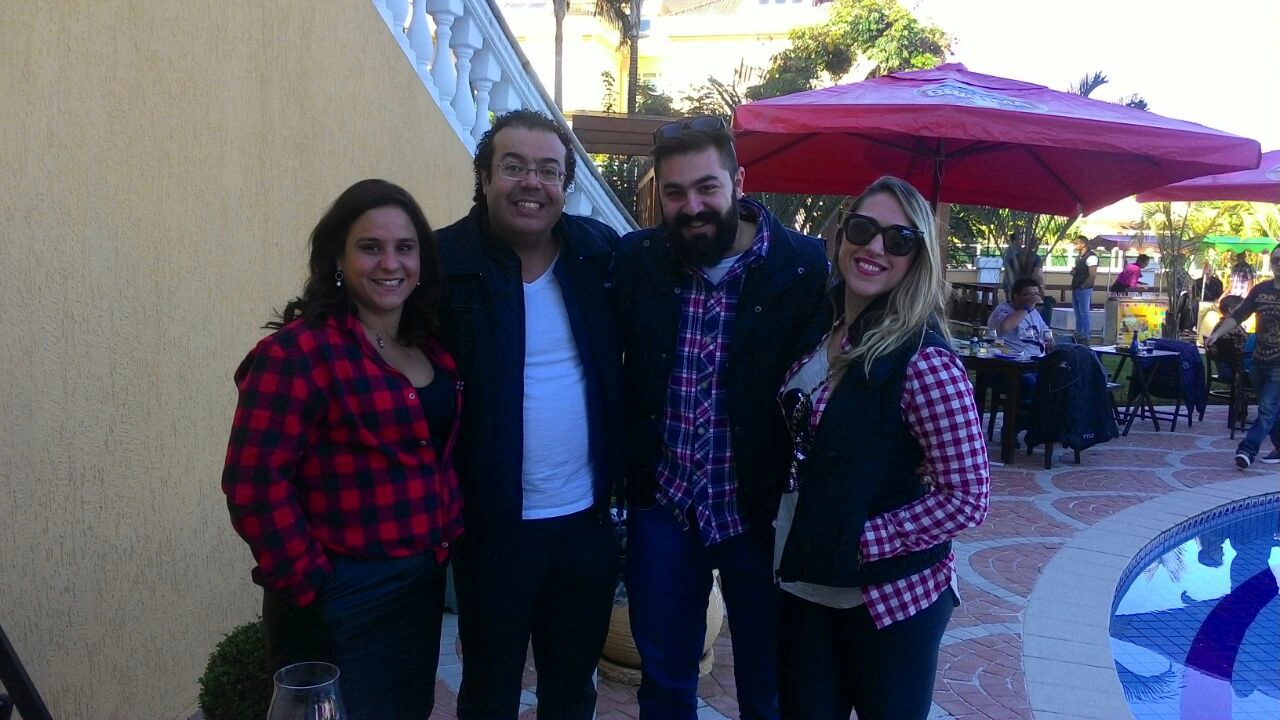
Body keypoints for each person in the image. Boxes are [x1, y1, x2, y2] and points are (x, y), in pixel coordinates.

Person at [222, 179, 462, 720]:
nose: (389, 263)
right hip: (340, 596)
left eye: (405, 248)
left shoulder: (426, 346)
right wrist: (312, 586)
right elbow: (253, 484)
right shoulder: (297, 353)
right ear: (337, 256)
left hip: (419, 587)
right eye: (370, 247)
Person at [615, 116, 829, 720]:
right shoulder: (638, 261)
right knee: (664, 683)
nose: (691, 207)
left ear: (738, 181)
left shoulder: (804, 268)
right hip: (666, 507)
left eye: (706, 188)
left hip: (757, 513)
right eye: (674, 192)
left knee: (767, 686)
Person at [774, 176, 990, 719]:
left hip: (889, 601)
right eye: (864, 229)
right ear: (843, 232)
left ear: (918, 258)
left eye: (899, 240)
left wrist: (861, 539)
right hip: (805, 582)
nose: (875, 248)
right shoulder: (826, 326)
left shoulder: (925, 362)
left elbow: (967, 496)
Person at [435, 109, 623, 719]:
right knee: (489, 691)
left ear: (565, 184)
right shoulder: (442, 265)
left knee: (572, 690)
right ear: (484, 176)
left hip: (585, 525)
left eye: (548, 170)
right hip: (492, 529)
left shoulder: (599, 255)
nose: (531, 182)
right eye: (513, 166)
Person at [1206, 244, 1280, 468]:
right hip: (1259, 360)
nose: (1279, 264)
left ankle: (1247, 450)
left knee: (1267, 408)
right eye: (1276, 259)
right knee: (1271, 407)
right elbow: (1238, 315)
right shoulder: (1260, 290)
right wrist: (1216, 334)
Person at [987, 277, 1055, 355]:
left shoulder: (1033, 312)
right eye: (1028, 295)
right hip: (1012, 359)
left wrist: (1050, 341)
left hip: (1037, 358)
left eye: (1036, 294)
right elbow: (1005, 327)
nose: (1034, 298)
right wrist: (1026, 308)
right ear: (1015, 296)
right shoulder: (1002, 309)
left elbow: (1045, 331)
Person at [1069, 234, 1098, 342]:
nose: (1075, 245)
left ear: (1083, 244)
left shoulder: (1091, 257)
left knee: (1084, 313)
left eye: (1076, 243)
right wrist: (1074, 272)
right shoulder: (1079, 257)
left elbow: (1092, 275)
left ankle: (1085, 336)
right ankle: (1079, 335)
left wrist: (1084, 287)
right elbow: (1079, 270)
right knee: (1078, 313)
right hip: (1076, 287)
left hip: (1083, 289)